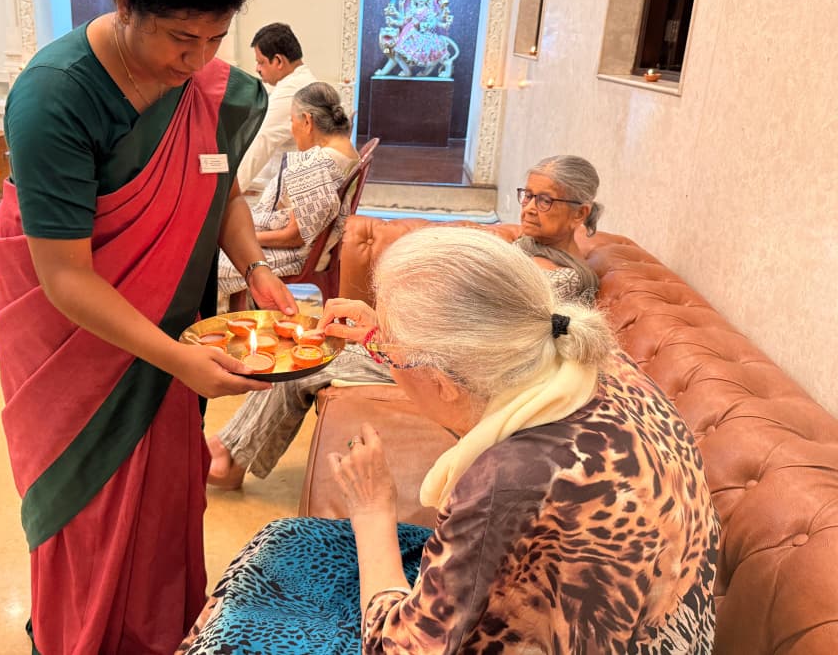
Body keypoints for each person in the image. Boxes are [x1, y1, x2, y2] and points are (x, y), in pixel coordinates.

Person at [0, 0, 297, 655]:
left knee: (162, 497)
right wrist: (182, 358)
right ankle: (74, 635)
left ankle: (157, 634)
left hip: (168, 325)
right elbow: (64, 277)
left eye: (216, 39)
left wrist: (255, 268)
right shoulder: (55, 95)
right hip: (75, 335)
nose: (198, 61)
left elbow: (220, 191)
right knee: (87, 500)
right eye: (179, 38)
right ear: (125, 6)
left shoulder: (218, 92)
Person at [180, 227, 720, 653]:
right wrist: (379, 337)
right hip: (640, 621)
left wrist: (372, 509)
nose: (382, 350)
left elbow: (396, 649)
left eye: (392, 345)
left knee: (250, 605)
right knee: (285, 543)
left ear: (443, 379)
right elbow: (473, 401)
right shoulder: (588, 357)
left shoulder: (506, 484)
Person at [207, 154, 604, 489]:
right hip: (423, 346)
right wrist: (382, 324)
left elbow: (487, 345)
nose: (530, 207)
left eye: (546, 200)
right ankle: (229, 450)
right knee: (316, 342)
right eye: (528, 195)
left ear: (580, 213)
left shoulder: (566, 281)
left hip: (447, 368)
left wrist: (390, 338)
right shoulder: (520, 249)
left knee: (313, 359)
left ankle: (228, 459)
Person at [217, 81, 359, 297]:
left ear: (308, 121)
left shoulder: (317, 164)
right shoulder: (348, 151)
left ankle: (234, 319)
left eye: (292, 121)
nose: (292, 129)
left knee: (216, 258)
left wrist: (246, 237)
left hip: (303, 254)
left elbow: (293, 237)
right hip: (320, 245)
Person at [235, 23, 318, 194]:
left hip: (285, 184)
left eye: (261, 62)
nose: (257, 68)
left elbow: (262, 142)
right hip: (281, 174)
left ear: (279, 61)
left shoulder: (292, 90)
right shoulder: (299, 81)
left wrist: (229, 194)